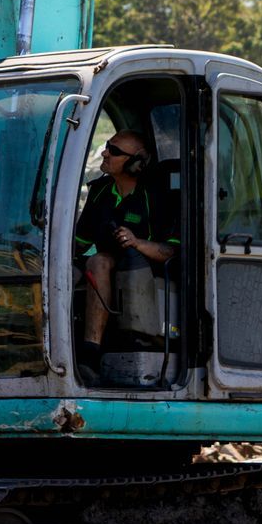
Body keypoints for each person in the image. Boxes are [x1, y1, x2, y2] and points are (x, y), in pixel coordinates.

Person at [74, 130, 178, 369]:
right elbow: (80, 242)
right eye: (108, 146)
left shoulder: (156, 196)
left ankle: (91, 353)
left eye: (115, 151)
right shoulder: (100, 191)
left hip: (144, 272)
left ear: (136, 163)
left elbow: (171, 252)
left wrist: (137, 242)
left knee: (98, 262)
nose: (105, 153)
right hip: (107, 267)